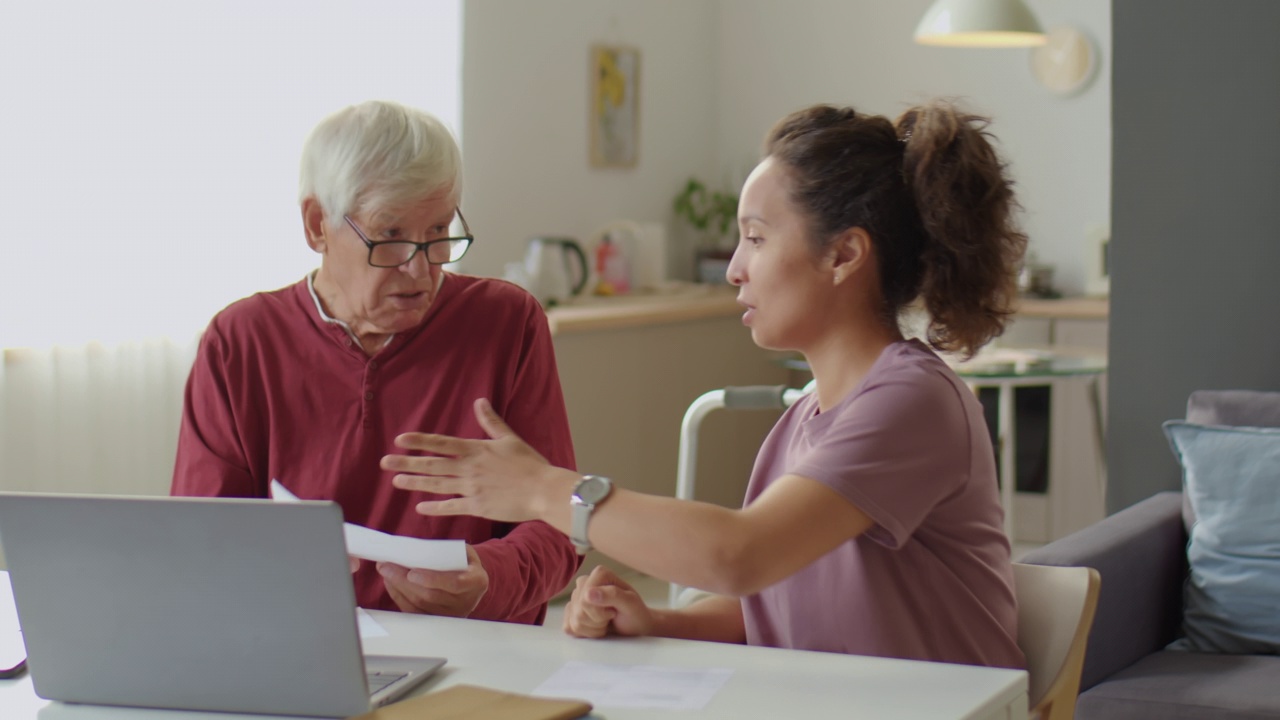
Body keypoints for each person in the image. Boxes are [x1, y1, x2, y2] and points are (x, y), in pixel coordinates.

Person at [380, 101, 1028, 668]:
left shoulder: (912, 402)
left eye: (755, 238)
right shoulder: (803, 422)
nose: (735, 270)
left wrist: (544, 490)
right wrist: (657, 622)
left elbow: (738, 556)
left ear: (844, 255)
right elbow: (771, 605)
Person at [171, 100, 580, 624]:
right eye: (389, 238)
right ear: (317, 225)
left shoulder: (507, 323)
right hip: (299, 647)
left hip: (477, 651)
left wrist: (491, 577)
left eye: (437, 234)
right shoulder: (241, 342)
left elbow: (563, 527)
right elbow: (196, 544)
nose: (419, 271)